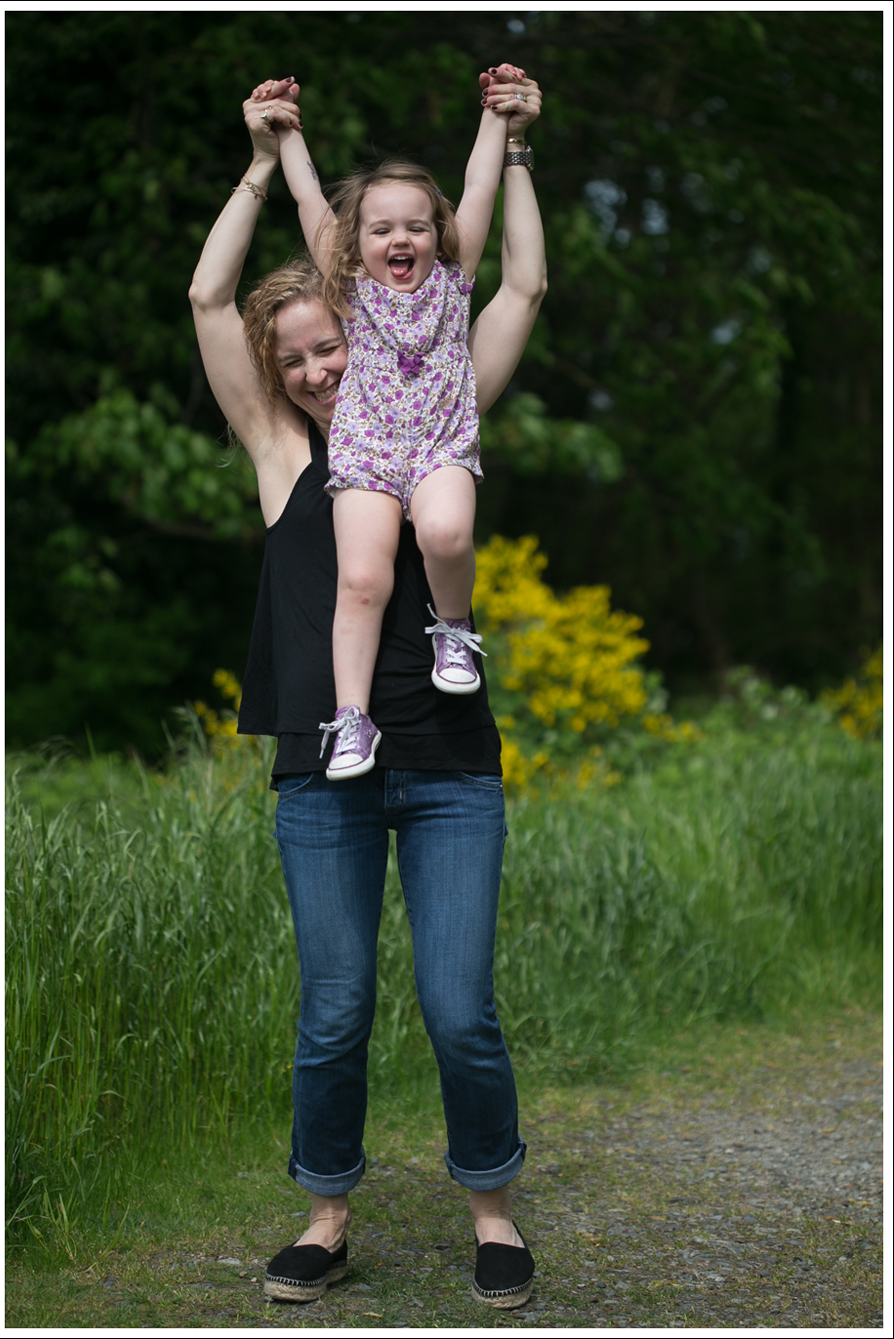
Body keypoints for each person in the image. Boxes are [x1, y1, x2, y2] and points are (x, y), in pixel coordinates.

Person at [188, 65, 545, 1311]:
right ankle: (327, 1215)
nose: (314, 370)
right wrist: (260, 162)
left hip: (447, 764)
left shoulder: (442, 388)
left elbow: (517, 284)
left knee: (459, 1008)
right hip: (323, 774)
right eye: (291, 359)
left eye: (326, 345)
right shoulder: (283, 456)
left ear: (360, 328)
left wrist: (513, 142)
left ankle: (492, 1209)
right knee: (335, 1010)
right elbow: (209, 294)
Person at [272, 67, 527, 780]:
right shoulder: (348, 289)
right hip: (367, 454)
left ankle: (453, 627)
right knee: (361, 579)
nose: (400, 238)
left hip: (440, 445)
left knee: (446, 533)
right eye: (381, 229)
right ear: (357, 243)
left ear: (437, 234)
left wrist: (496, 117)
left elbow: (479, 186)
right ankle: (353, 718)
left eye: (417, 225)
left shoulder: (454, 278)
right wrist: (287, 133)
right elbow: (307, 198)